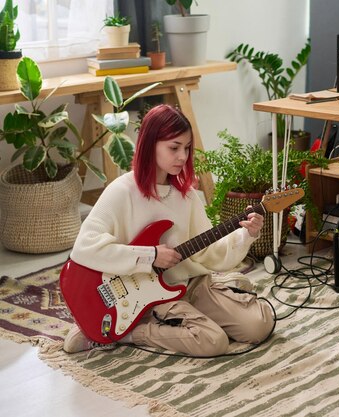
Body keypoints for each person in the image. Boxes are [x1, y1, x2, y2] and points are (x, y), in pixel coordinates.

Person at [63, 104, 274, 356]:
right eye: (174, 148)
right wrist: (150, 256)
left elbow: (208, 252)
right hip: (146, 292)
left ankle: (220, 293)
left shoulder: (186, 196)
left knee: (259, 326)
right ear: (150, 145)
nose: (183, 157)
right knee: (212, 341)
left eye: (186, 148)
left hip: (190, 284)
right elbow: (84, 247)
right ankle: (124, 333)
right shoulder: (121, 191)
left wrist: (246, 234)